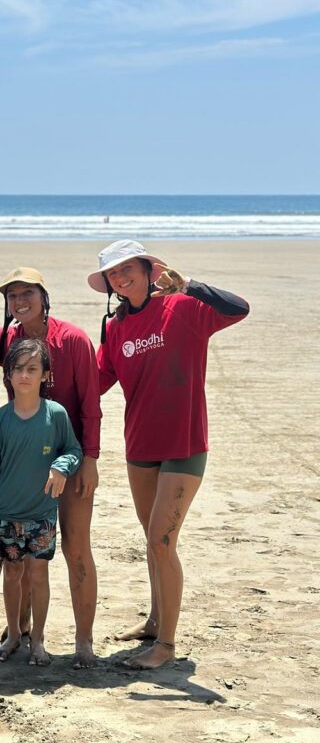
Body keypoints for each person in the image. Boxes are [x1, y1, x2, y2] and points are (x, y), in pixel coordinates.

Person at [90, 239, 249, 669]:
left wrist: (191, 284)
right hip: (141, 446)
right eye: (112, 274)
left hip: (184, 444)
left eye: (127, 269)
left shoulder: (183, 307)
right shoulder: (115, 327)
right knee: (152, 539)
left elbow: (239, 308)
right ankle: (155, 621)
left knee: (162, 540)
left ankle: (166, 646)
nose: (120, 278)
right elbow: (96, 381)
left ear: (149, 270)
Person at [0, 268, 102, 668]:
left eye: (27, 293)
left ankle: (83, 641)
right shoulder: (8, 340)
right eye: (12, 296)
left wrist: (89, 459)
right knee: (21, 559)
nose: (19, 301)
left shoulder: (73, 339)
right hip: (22, 467)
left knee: (75, 548)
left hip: (70, 459)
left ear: (43, 296)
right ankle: (20, 631)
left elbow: (91, 405)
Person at [0, 339, 82, 666]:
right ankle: (13, 635)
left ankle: (37, 640)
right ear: (8, 375)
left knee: (39, 576)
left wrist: (61, 466)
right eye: (18, 369)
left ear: (45, 375)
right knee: (11, 575)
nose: (24, 375)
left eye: (32, 369)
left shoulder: (56, 415)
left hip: (42, 516)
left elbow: (74, 450)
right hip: (6, 516)